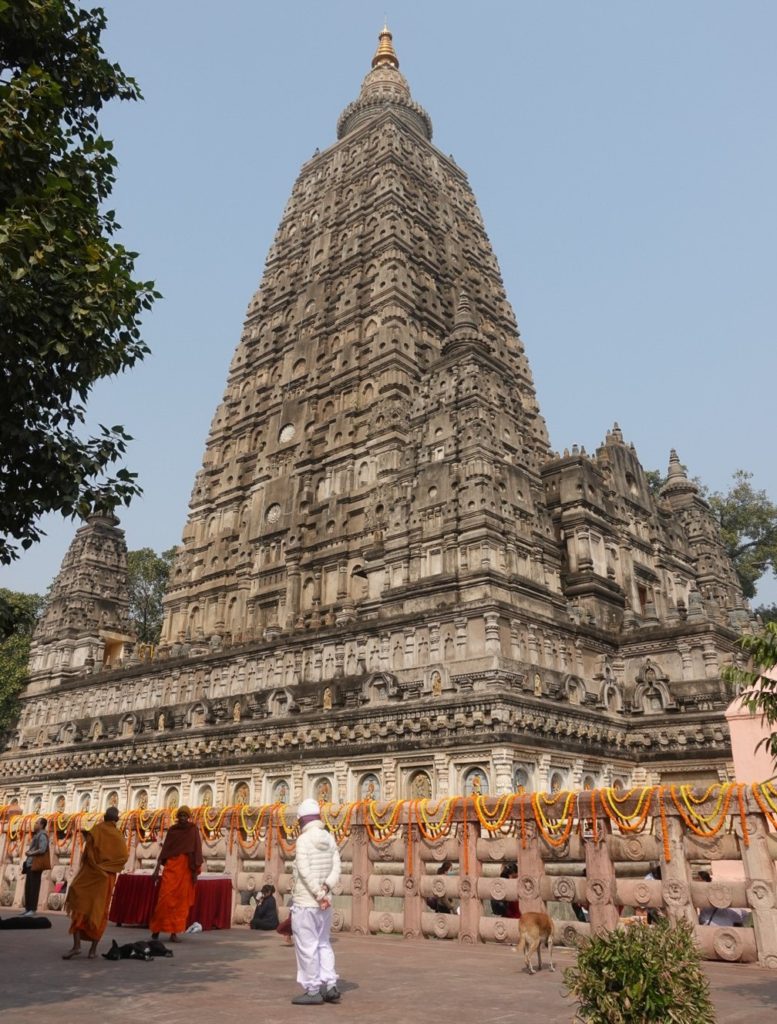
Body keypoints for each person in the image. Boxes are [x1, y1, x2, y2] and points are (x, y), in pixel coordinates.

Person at [290, 798, 342, 1005]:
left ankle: (312, 989)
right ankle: (330, 985)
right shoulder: (329, 838)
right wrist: (326, 888)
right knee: (323, 943)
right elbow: (336, 867)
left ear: (302, 820)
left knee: (307, 946)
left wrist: (318, 894)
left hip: (307, 901)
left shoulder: (303, 840)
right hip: (325, 902)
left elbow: (304, 870)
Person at [63, 806, 129, 959]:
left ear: (104, 817)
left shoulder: (95, 831)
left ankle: (76, 946)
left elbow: (87, 855)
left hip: (90, 875)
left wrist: (96, 867)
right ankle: (92, 951)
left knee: (80, 908)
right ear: (116, 819)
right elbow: (123, 857)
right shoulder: (118, 836)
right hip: (106, 878)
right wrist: (106, 867)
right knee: (99, 913)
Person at [149, 805, 203, 942]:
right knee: (164, 900)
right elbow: (165, 850)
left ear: (189, 817)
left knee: (180, 903)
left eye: (185, 816)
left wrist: (195, 872)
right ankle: (156, 930)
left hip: (185, 870)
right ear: (177, 817)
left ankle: (174, 933)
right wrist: (156, 869)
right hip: (171, 869)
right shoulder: (173, 830)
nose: (183, 818)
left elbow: (197, 850)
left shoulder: (193, 830)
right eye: (181, 816)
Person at [21, 816, 50, 917]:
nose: (35, 825)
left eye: (37, 823)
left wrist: (31, 853)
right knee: (28, 887)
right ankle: (28, 908)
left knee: (34, 887)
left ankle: (32, 909)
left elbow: (42, 849)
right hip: (30, 863)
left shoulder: (42, 835)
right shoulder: (37, 835)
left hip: (36, 864)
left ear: (42, 825)